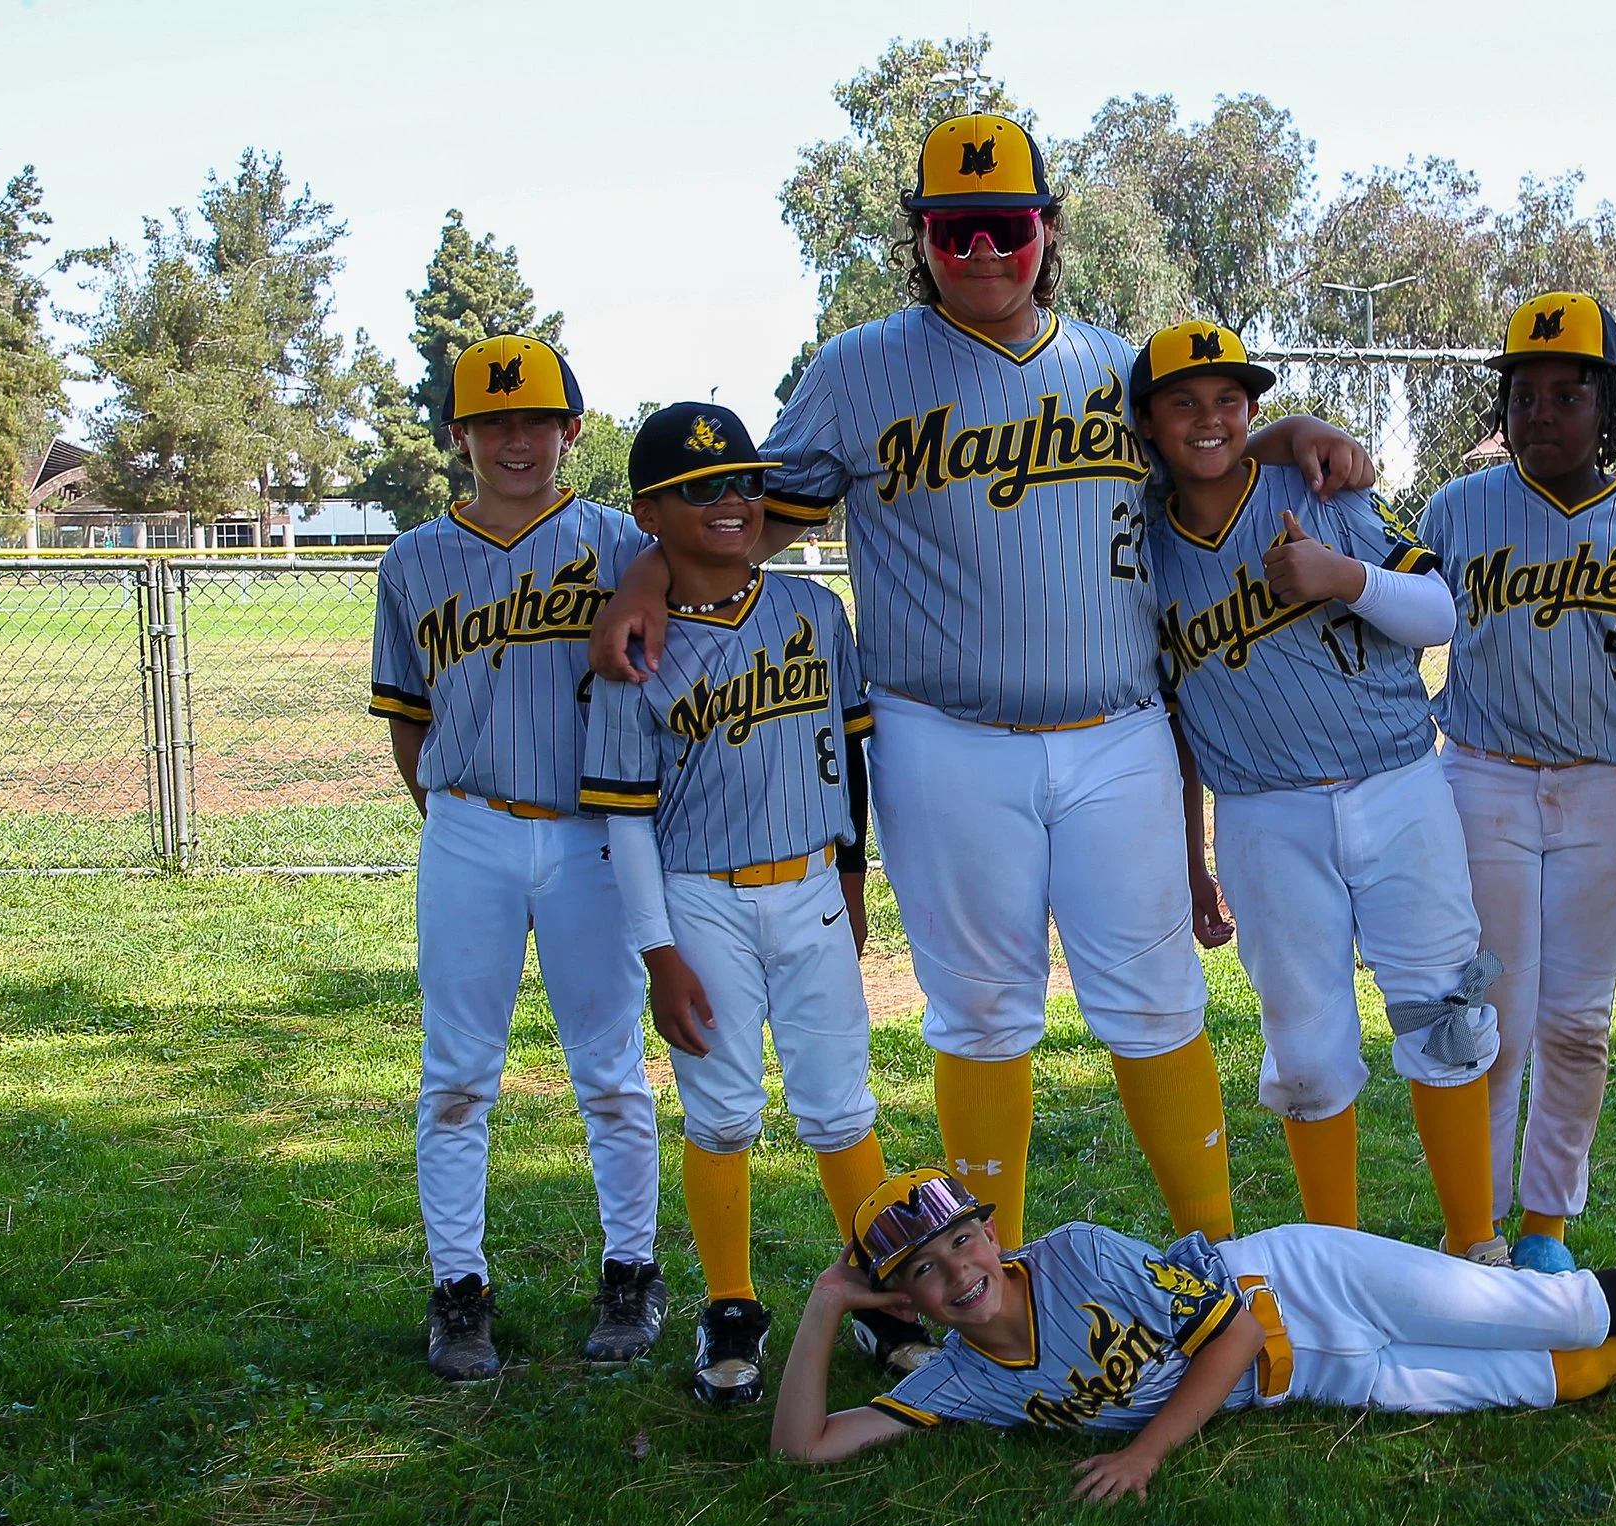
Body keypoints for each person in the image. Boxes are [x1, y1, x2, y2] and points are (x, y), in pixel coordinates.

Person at [589, 114, 1373, 1252]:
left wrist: (1292, 427)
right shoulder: (858, 369)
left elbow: (1209, 444)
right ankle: (987, 1274)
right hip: (943, 735)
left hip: (1118, 731)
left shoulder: (1116, 367)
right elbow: (745, 518)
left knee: (1155, 1001)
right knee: (983, 1012)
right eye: (954, 231)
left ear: (1047, 228)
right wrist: (651, 572)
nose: (983, 252)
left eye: (1005, 226)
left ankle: (1210, 1254)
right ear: (920, 237)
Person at [766, 1169, 1616, 1494]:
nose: (958, 1271)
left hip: (1292, 1286)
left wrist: (1148, 1452)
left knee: (1553, 1311)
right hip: (1304, 1382)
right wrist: (821, 1308)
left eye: (961, 1242)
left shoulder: (1070, 1253)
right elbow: (805, 1448)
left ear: (992, 1230)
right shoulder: (964, 1376)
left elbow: (1227, 1335)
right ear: (903, 1301)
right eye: (924, 1271)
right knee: (1561, 1384)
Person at [580, 402, 934, 1403]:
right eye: (700, 489)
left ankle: (879, 1292)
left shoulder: (813, 613)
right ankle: (729, 1306)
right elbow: (624, 821)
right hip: (700, 901)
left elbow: (849, 757)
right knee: (725, 1111)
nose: (731, 502)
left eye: (741, 482)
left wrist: (855, 879)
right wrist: (658, 953)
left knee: (836, 1103)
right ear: (649, 511)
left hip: (811, 885)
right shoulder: (632, 650)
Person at [1132, 321, 1499, 1257]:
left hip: (1396, 778)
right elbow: (1172, 725)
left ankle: (1474, 1238)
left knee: (1443, 1004)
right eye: (1183, 402)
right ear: (1147, 422)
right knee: (1304, 1040)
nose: (1209, 420)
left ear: (1252, 410)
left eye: (1229, 400)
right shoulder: (1144, 551)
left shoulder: (1314, 486)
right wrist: (1189, 858)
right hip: (1262, 811)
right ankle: (1339, 1252)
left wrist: (1344, 577)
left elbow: (1440, 610)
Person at [367, 335, 665, 1381]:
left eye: (535, 420)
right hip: (469, 825)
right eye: (493, 423)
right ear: (460, 436)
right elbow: (407, 717)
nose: (515, 441)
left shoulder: (625, 543)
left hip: (590, 831)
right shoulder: (412, 560)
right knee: (456, 1074)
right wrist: (454, 813)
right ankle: (459, 1287)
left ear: (570, 430)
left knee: (611, 1070)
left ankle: (631, 1269)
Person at [1421, 293, 1616, 1276]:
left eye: (1566, 396)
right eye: (1523, 395)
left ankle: (1546, 1229)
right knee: (1491, 1014)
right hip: (1484, 780)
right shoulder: (1455, 510)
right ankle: (1473, 1227)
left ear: (1606, 407)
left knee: (1579, 1022)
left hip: (1604, 787)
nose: (1542, 416)